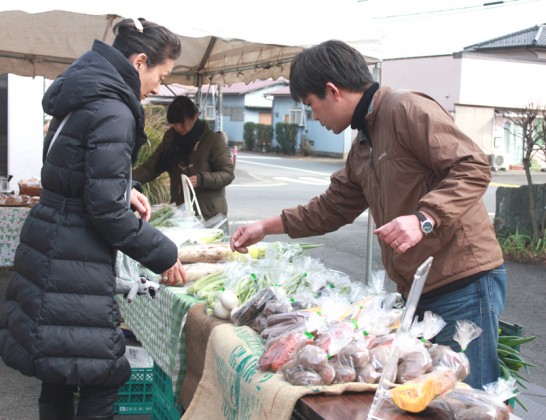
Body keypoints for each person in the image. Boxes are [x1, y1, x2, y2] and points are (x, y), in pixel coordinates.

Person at [230, 40, 506, 390]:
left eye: (311, 105)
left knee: (470, 397)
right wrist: (265, 227)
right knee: (432, 396)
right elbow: (332, 207)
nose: (314, 116)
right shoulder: (363, 141)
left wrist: (424, 219)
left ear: (332, 91)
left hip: (463, 281)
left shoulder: (405, 108)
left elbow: (473, 166)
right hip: (417, 288)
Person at [0, 18, 187, 420]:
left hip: (52, 243)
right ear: (140, 62)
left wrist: (125, 186)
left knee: (59, 374)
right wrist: (164, 252)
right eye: (161, 75)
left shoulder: (85, 94)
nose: (158, 87)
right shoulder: (114, 109)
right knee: (103, 377)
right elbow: (105, 211)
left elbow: (76, 172)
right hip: (73, 257)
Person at [133, 96, 234, 223]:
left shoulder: (213, 141)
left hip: (209, 215)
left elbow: (227, 174)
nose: (177, 127)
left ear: (195, 117)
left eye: (181, 122)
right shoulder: (170, 139)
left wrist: (201, 179)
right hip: (180, 213)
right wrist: (126, 182)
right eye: (174, 123)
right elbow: (150, 168)